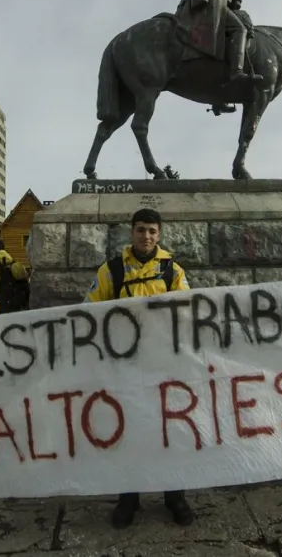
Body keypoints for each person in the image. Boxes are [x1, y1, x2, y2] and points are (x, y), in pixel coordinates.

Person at [84, 208, 193, 529]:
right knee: (127, 432)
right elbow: (91, 309)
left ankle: (175, 496)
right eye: (141, 230)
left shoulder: (172, 270)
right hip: (125, 367)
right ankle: (128, 498)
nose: (146, 236)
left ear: (159, 235)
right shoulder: (111, 270)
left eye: (152, 231)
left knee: (170, 430)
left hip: (163, 365)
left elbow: (185, 309)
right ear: (131, 232)